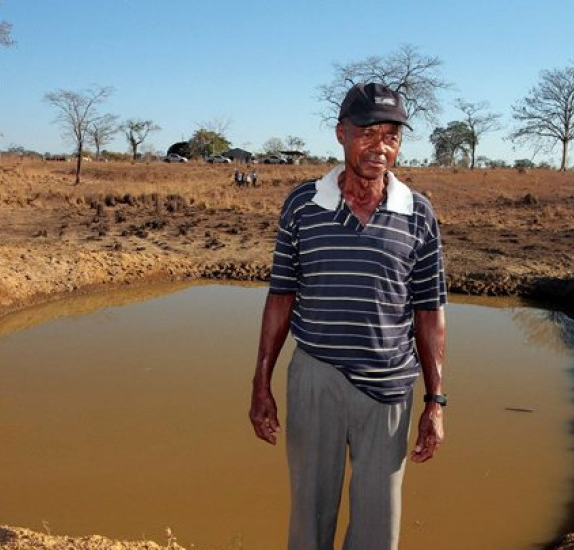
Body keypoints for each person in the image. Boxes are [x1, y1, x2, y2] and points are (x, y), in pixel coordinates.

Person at [249, 82, 447, 550]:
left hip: (390, 386)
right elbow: (280, 297)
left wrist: (436, 402)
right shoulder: (303, 205)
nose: (380, 146)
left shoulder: (418, 213)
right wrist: (261, 383)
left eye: (392, 136)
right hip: (316, 375)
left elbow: (429, 312)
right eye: (368, 132)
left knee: (379, 527)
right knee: (309, 517)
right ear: (341, 134)